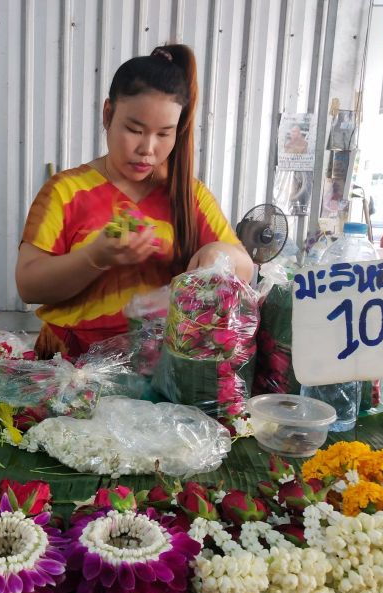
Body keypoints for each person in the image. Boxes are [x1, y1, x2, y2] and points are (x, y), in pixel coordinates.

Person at [15, 44, 252, 359]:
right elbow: (29, 285)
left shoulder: (187, 195)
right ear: (108, 114)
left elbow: (245, 268)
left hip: (162, 373)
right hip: (72, 371)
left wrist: (218, 253)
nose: (147, 148)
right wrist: (95, 257)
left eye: (164, 134)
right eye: (134, 129)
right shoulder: (66, 191)